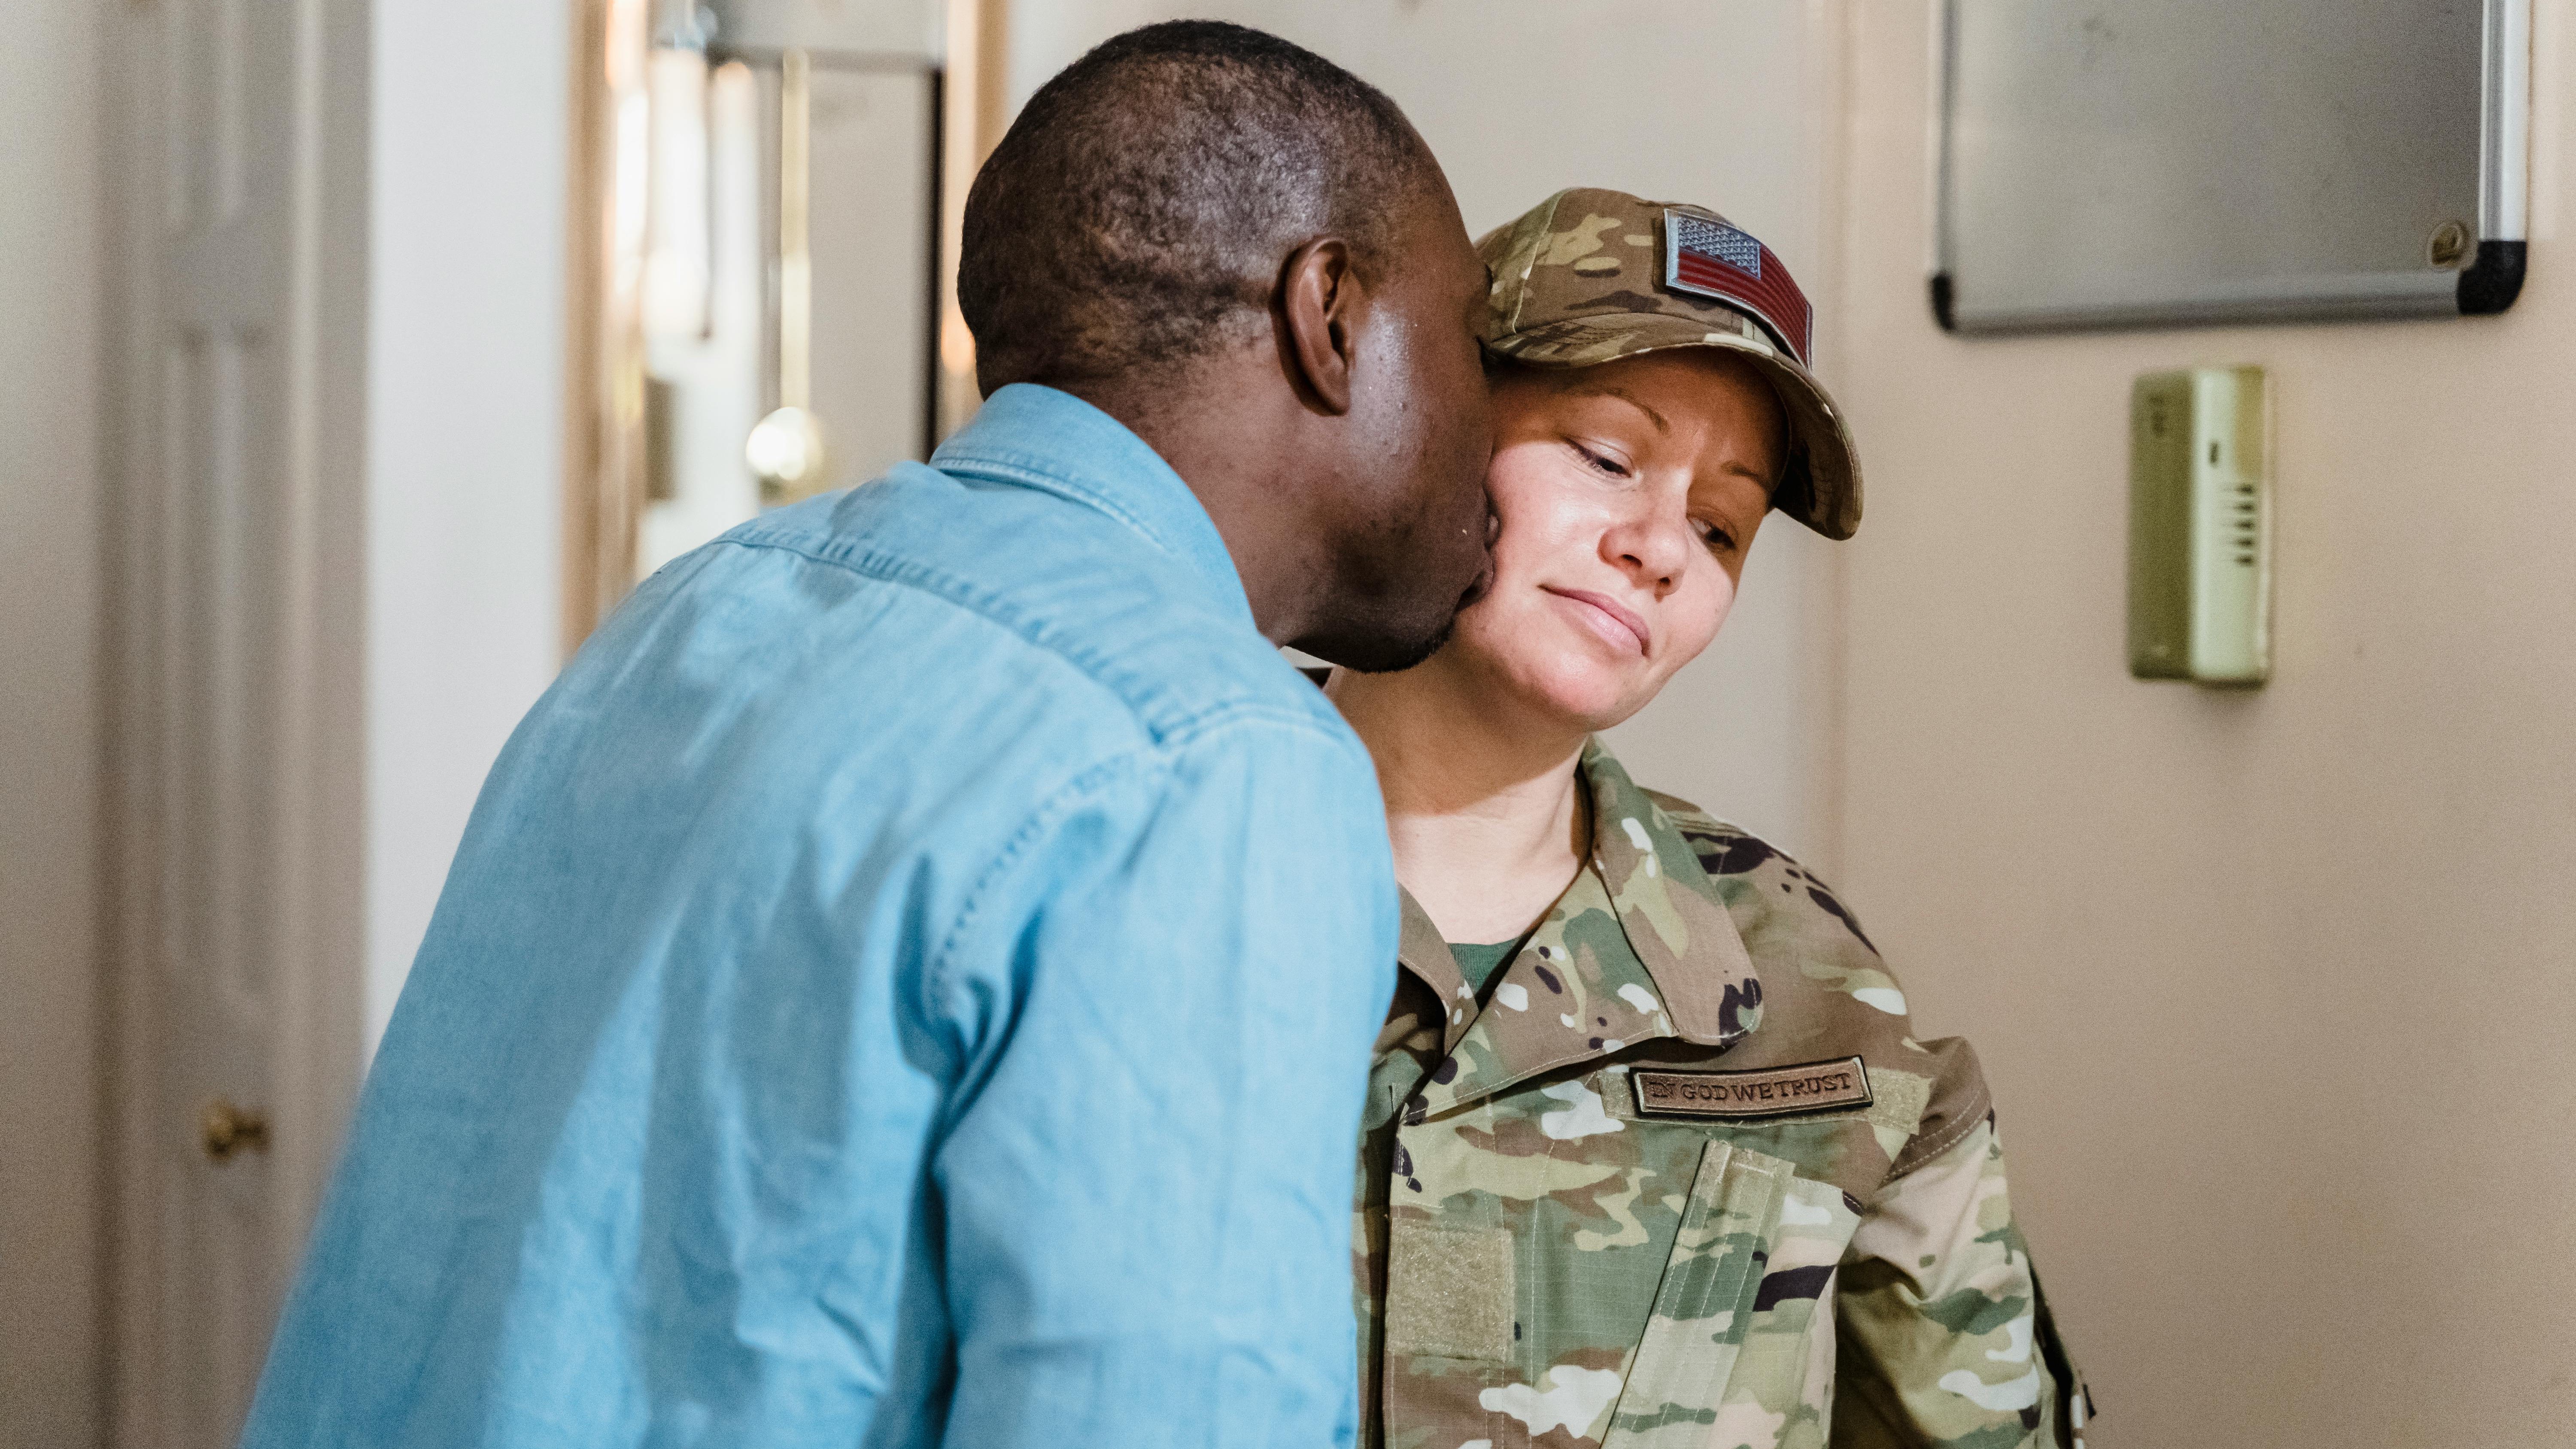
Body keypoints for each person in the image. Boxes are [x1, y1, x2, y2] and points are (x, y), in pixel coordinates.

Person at [239, 23, 1492, 1449]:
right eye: (1468, 333)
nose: (1491, 423)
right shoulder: (1217, 760)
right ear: (1328, 314)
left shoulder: (700, 612)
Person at [1327, 189, 2093, 1449]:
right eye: (1608, 457)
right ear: (1430, 423)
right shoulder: (1145, 866)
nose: (1662, 547)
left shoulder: (1819, 1004)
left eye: (1721, 524)